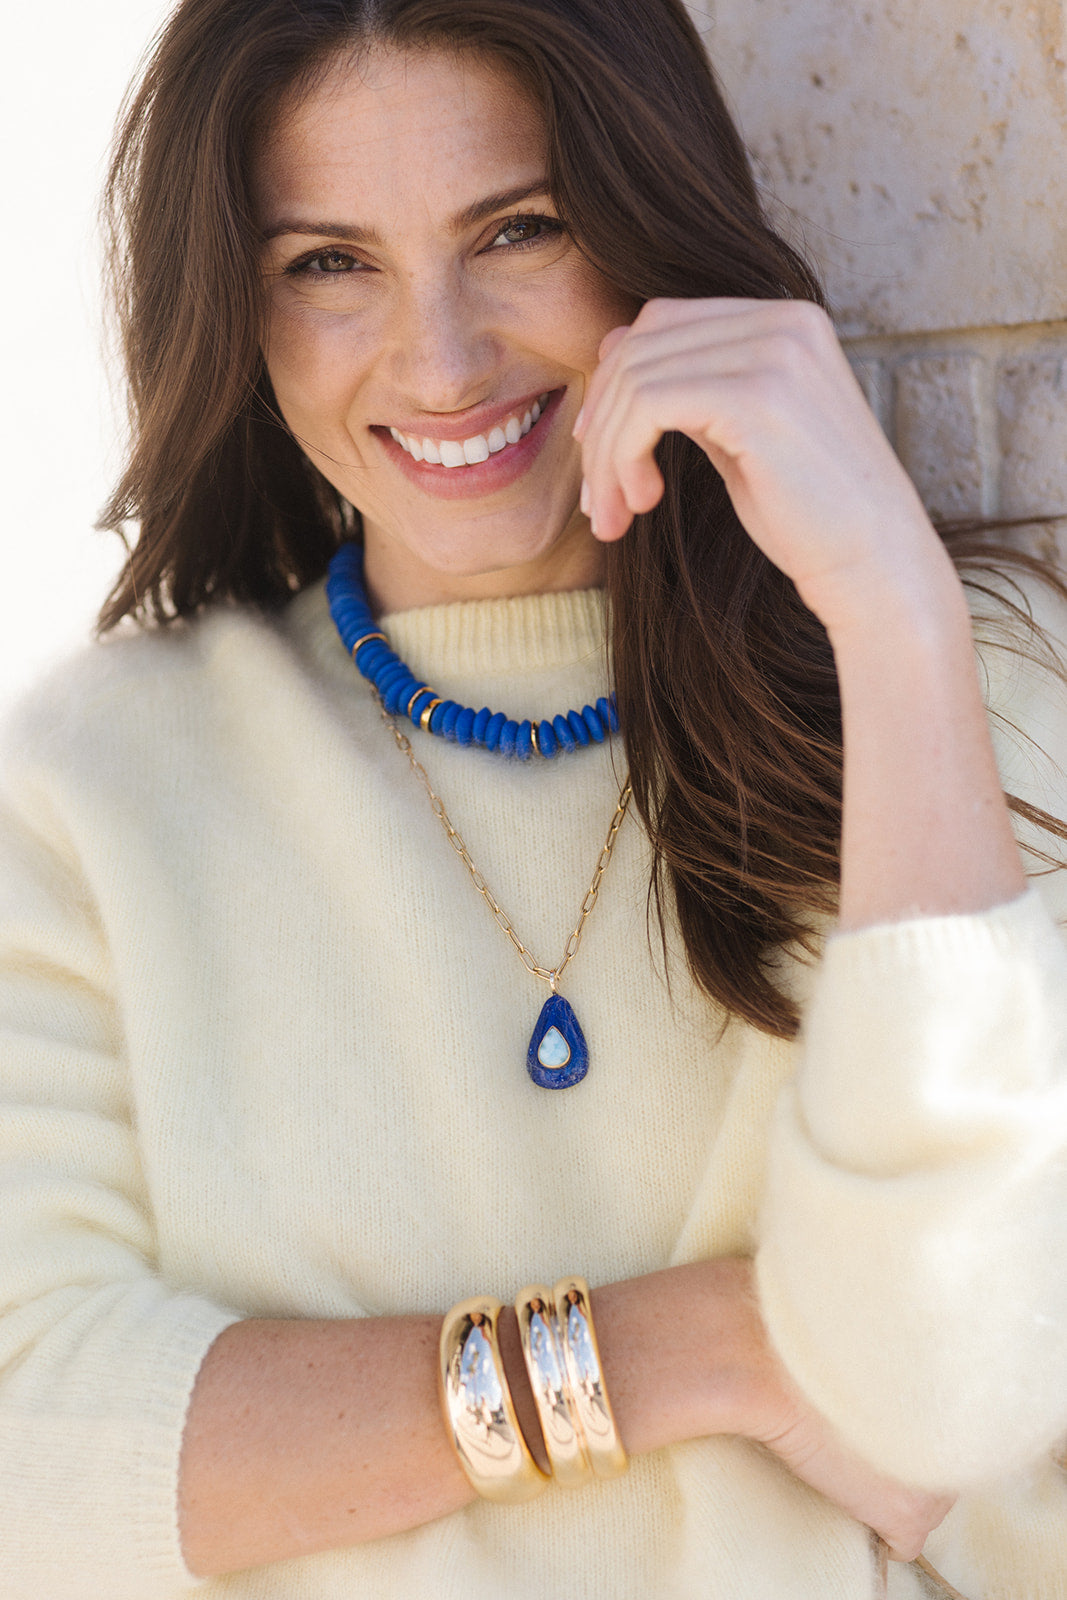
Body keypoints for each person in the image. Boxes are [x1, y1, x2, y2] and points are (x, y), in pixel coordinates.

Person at [1, 1, 1065, 1596]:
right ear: (240, 303)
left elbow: (957, 1405)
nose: (440, 359)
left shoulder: (958, 687)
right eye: (327, 261)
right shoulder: (95, 786)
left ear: (647, 227)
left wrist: (895, 620)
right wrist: (702, 1348)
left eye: (520, 229)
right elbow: (41, 1468)